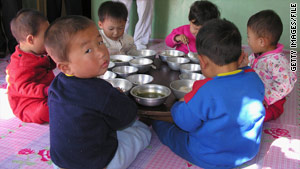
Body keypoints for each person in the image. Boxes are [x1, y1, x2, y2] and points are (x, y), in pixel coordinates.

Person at [151, 19, 265, 168]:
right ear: (241, 56)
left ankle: (154, 123)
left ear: (202, 62)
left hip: (208, 156)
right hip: (248, 151)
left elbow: (183, 122)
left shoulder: (206, 89)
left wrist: (179, 104)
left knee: (162, 125)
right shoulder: (255, 79)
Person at [44, 15, 151, 169]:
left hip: (60, 163)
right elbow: (127, 116)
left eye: (100, 42)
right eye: (88, 50)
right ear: (66, 67)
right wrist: (119, 97)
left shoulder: (56, 85)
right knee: (141, 131)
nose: (101, 52)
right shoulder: (101, 91)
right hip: (98, 164)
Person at [247, 10, 297, 122]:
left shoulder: (277, 62)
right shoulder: (258, 54)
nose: (248, 41)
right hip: (256, 91)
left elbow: (286, 84)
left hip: (272, 104)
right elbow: (251, 65)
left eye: (249, 37)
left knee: (253, 115)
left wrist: (267, 98)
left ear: (261, 42)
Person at [6, 9, 55, 124]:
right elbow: (23, 88)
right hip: (27, 102)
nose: (50, 39)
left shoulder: (39, 51)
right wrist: (44, 90)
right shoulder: (19, 64)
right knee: (43, 111)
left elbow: (50, 64)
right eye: (46, 36)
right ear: (31, 39)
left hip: (47, 92)